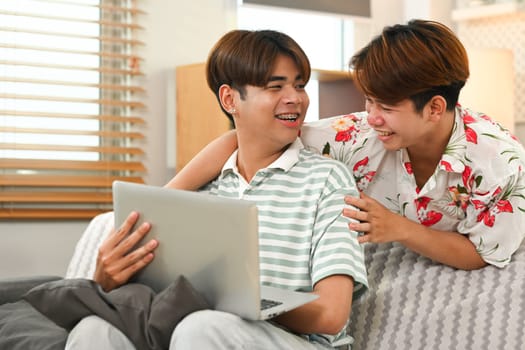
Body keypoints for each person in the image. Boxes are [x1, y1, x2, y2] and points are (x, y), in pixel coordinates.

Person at [65, 29, 367, 349]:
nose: (295, 98)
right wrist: (104, 280)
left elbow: (332, 314)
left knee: (203, 326)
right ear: (229, 99)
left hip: (293, 342)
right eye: (275, 86)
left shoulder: (328, 179)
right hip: (187, 331)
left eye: (300, 85)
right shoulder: (201, 189)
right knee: (95, 329)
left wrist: (236, 303)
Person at [168, 19, 525, 271]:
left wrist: (399, 228)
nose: (371, 117)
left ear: (434, 108)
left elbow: (483, 251)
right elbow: (245, 139)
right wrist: (168, 197)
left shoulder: (500, 163)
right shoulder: (355, 138)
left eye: (385, 107)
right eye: (368, 101)